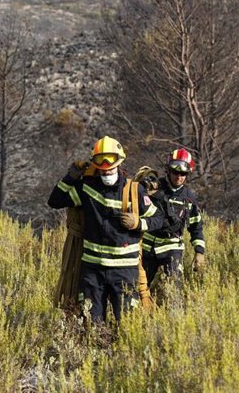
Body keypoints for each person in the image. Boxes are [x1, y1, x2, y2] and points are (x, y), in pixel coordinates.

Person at [47, 136, 166, 323]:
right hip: (93, 270)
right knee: (91, 325)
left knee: (128, 325)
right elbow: (55, 201)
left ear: (119, 163)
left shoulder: (134, 191)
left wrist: (138, 223)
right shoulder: (86, 188)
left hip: (125, 271)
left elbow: (159, 219)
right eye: (102, 168)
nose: (106, 171)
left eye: (110, 167)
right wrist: (71, 177)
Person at [141, 148, 206, 286]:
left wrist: (199, 252)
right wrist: (143, 188)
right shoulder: (154, 187)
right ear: (168, 170)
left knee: (174, 288)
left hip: (172, 247)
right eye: (175, 172)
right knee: (138, 287)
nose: (179, 176)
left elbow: (196, 226)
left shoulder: (189, 197)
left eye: (183, 173)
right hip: (147, 247)